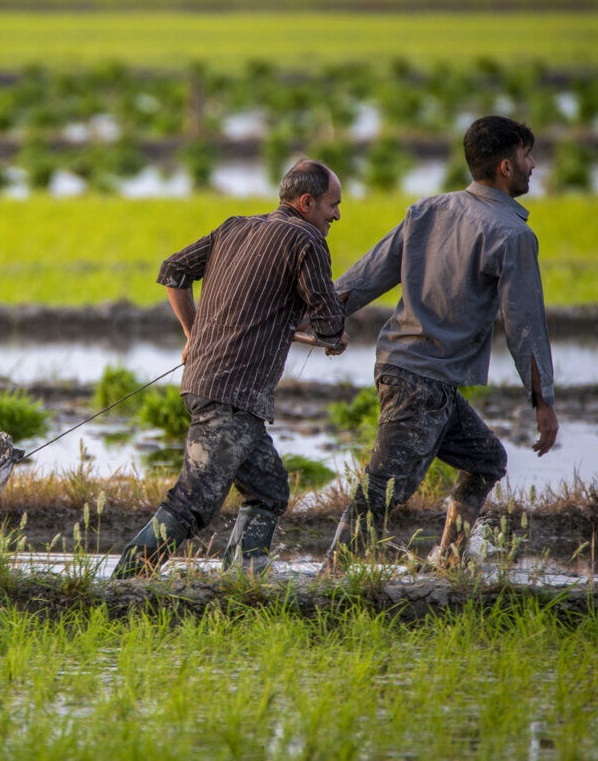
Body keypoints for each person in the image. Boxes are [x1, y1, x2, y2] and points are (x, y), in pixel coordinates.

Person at [328, 115, 559, 564]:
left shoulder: (427, 210)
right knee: (383, 490)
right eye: (527, 155)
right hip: (422, 380)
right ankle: (330, 580)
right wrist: (543, 400)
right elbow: (525, 326)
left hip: (410, 371)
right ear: (506, 167)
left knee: (486, 460)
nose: (534, 164)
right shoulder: (513, 235)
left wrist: (319, 315)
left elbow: (365, 276)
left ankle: (448, 561)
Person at [112, 159, 349, 579]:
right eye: (333, 205)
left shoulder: (233, 227)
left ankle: (243, 579)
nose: (337, 215)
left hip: (208, 385)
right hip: (233, 395)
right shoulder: (307, 241)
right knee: (193, 502)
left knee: (269, 490)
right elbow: (329, 323)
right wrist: (332, 334)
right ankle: (125, 582)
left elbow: (173, 272)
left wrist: (193, 334)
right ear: (307, 202)